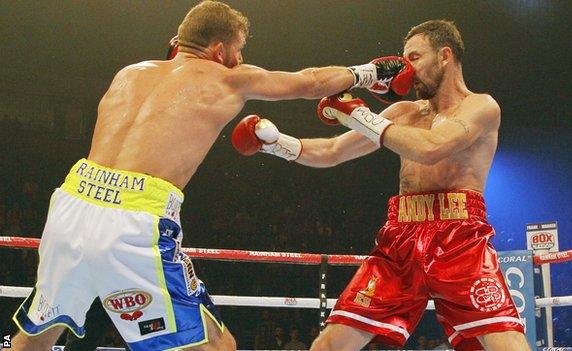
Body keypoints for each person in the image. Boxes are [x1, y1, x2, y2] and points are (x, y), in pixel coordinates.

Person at [10, 1, 413, 350]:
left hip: (71, 205)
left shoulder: (129, 73)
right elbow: (309, 82)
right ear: (219, 49)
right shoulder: (226, 78)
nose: (240, 59)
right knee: (216, 346)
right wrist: (369, 72)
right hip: (135, 222)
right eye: (239, 50)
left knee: (35, 339)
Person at [231, 19, 531, 351]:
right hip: (400, 239)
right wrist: (274, 143)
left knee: (507, 345)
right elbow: (332, 151)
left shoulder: (481, 107)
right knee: (329, 345)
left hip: (459, 239)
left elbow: (432, 148)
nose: (406, 68)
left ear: (445, 56)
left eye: (414, 58)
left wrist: (359, 114)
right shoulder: (402, 111)